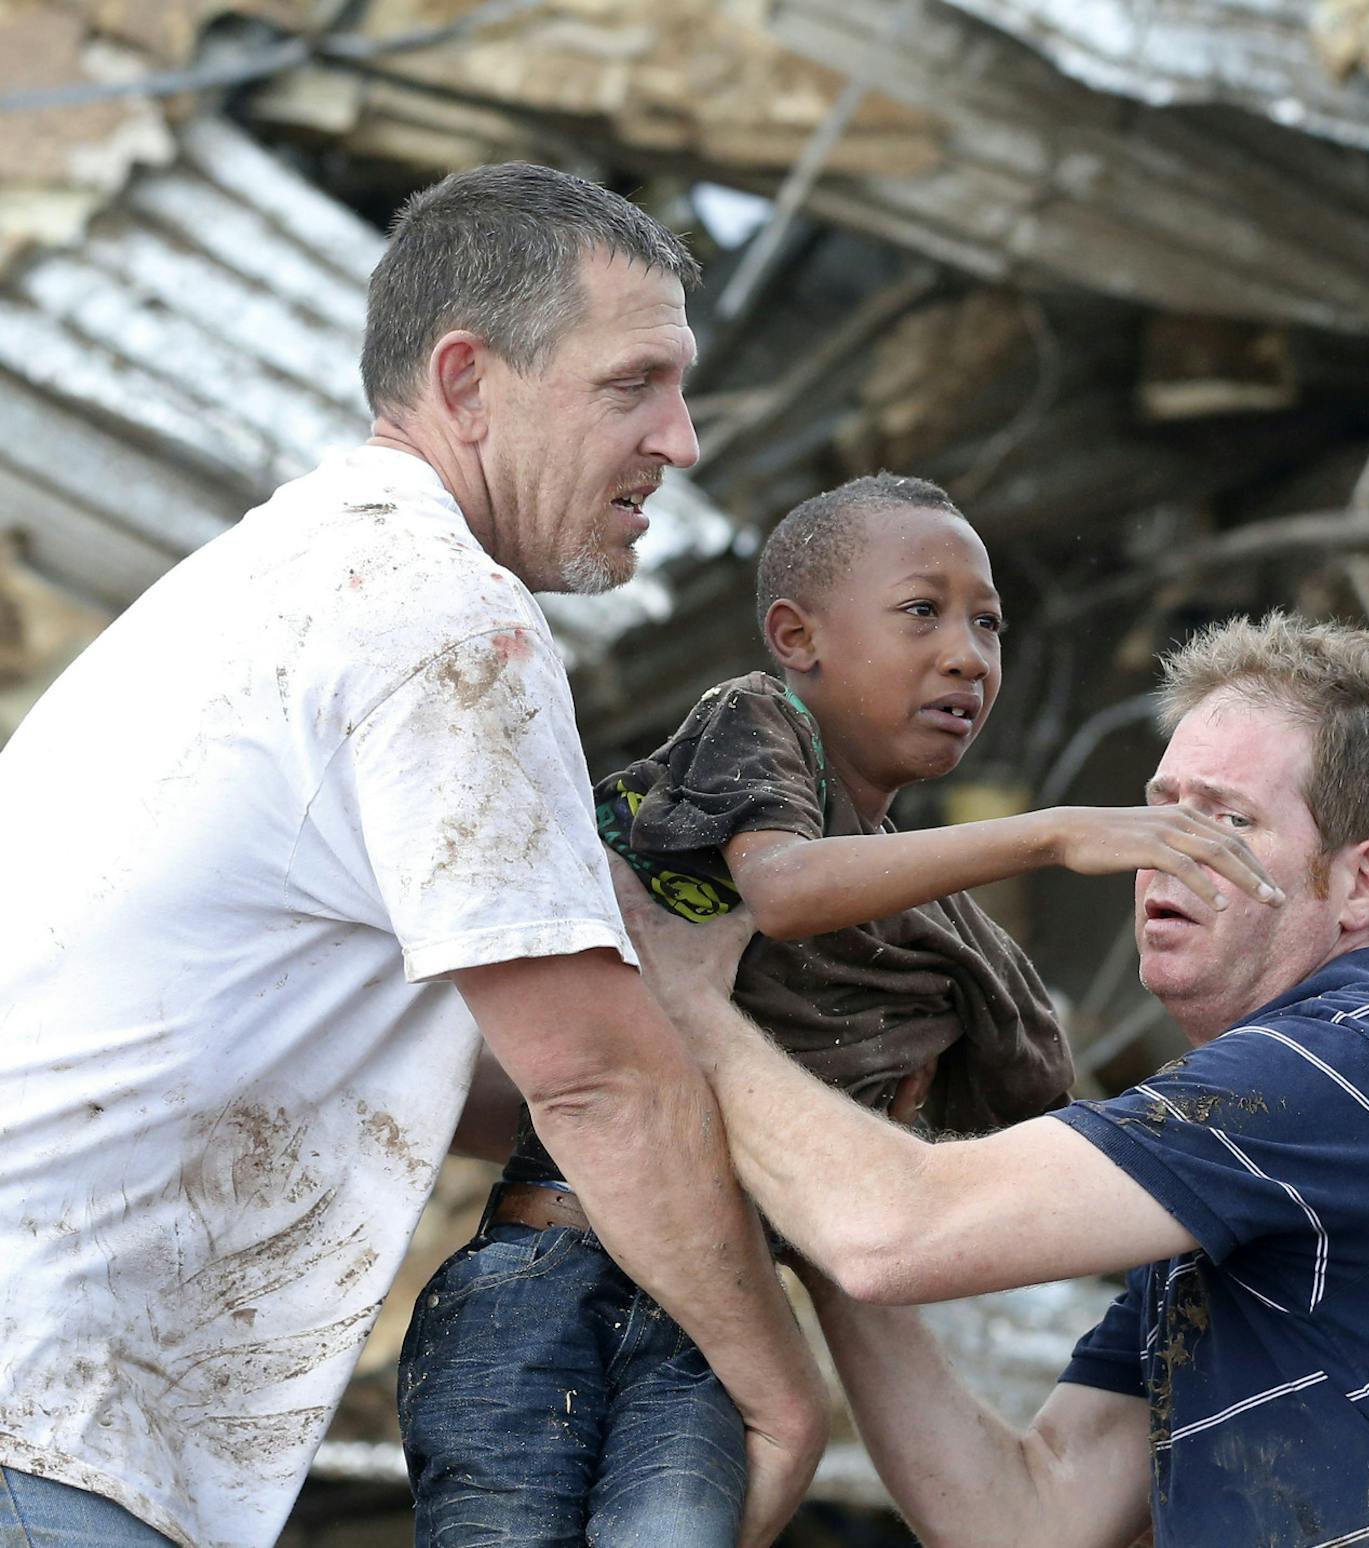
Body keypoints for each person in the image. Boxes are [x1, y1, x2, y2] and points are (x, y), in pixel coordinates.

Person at [0, 163, 825, 1548]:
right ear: (467, 382)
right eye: (635, 384)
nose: (682, 442)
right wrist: (777, 1394)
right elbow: (592, 1079)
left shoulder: (290, 575)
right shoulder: (442, 621)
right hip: (43, 1418)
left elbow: (476, 1077)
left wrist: (767, 1092)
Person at [618, 612, 1369, 1547]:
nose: (1159, 855)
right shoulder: (1230, 1196)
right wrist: (818, 1218)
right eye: (1158, 811)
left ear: (1361, 882)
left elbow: (897, 1233)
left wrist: (690, 1005)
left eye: (1225, 820)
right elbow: (1028, 1520)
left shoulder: (1341, 1067)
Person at [399, 471, 1286, 1542]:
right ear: (796, 636)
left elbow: (1039, 1132)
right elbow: (782, 889)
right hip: (550, 1270)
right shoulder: (759, 721)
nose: (968, 653)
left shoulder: (951, 940)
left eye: (990, 625)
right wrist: (1049, 834)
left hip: (717, 1327)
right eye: (923, 611)